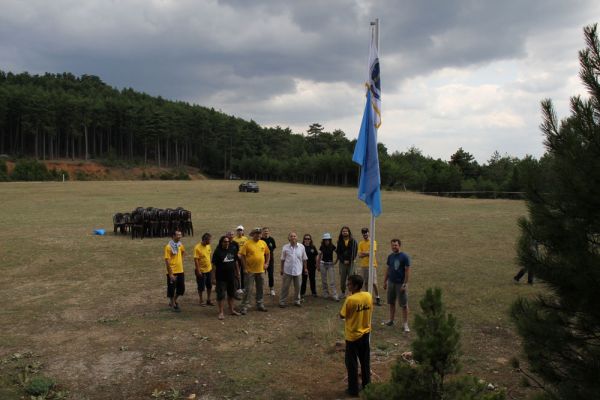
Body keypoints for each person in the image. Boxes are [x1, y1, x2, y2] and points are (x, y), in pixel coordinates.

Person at [340, 274, 372, 397]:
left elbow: (342, 315)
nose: (348, 286)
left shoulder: (350, 299)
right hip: (365, 334)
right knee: (365, 361)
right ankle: (367, 385)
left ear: (356, 286)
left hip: (353, 336)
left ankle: (353, 390)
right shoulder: (368, 295)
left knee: (351, 364)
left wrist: (350, 298)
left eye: (350, 284)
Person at [238, 227, 270, 314]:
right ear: (253, 235)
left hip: (260, 271)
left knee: (260, 288)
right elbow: (242, 256)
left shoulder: (263, 243)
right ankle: (244, 306)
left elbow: (267, 253)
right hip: (250, 271)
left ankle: (260, 304)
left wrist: (267, 263)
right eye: (257, 233)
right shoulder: (247, 243)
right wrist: (244, 268)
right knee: (248, 289)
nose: (259, 235)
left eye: (260, 233)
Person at [383, 238, 411, 332]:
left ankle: (405, 324)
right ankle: (391, 320)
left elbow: (407, 271)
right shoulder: (390, 256)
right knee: (391, 302)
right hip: (391, 282)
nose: (394, 247)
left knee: (403, 304)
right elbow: (388, 269)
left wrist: (405, 284)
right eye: (392, 245)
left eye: (395, 245)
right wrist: (385, 281)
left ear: (399, 245)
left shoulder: (404, 257)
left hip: (400, 284)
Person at [211, 235, 241, 320]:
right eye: (225, 241)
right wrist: (213, 278)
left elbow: (235, 261)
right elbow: (213, 266)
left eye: (228, 241)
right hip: (221, 278)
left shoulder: (232, 250)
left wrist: (237, 272)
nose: (227, 243)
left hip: (231, 276)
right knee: (221, 295)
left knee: (231, 294)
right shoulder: (217, 252)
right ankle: (221, 312)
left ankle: (232, 310)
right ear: (221, 242)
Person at [279, 232, 308, 307]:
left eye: (294, 236)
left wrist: (305, 268)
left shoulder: (301, 247)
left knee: (298, 287)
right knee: (285, 287)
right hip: (287, 271)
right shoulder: (285, 247)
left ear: (297, 237)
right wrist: (281, 269)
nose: (293, 238)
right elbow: (282, 259)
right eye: (291, 236)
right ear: (289, 238)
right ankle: (282, 301)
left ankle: (297, 301)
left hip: (298, 271)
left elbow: (304, 259)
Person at [357, 228, 381, 306]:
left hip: (372, 265)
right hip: (364, 265)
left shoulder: (373, 242)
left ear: (369, 233)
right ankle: (368, 297)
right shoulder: (361, 243)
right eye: (363, 233)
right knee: (366, 282)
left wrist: (364, 253)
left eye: (366, 233)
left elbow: (372, 254)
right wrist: (367, 253)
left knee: (374, 282)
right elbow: (359, 255)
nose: (365, 235)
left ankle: (377, 297)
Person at [164, 230, 185, 312]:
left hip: (180, 270)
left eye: (180, 235)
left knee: (181, 289)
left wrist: (181, 261)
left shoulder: (180, 245)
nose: (180, 236)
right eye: (178, 235)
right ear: (173, 236)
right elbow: (167, 261)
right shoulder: (168, 247)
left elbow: (183, 252)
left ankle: (174, 300)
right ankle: (173, 305)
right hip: (172, 271)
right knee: (171, 289)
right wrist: (170, 274)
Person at [336, 226, 358, 300]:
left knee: (351, 278)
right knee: (342, 279)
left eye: (346, 231)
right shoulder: (339, 241)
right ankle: (343, 292)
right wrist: (343, 260)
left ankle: (352, 293)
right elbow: (338, 253)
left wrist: (350, 260)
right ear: (341, 233)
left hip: (351, 263)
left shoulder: (353, 241)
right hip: (342, 263)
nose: (345, 232)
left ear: (349, 232)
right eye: (343, 231)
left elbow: (354, 252)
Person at [194, 232, 214, 306]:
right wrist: (198, 270)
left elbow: (209, 256)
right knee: (201, 286)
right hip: (201, 271)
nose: (210, 241)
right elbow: (196, 260)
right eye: (209, 240)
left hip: (209, 269)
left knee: (209, 285)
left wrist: (211, 267)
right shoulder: (197, 248)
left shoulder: (208, 246)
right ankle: (201, 300)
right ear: (205, 240)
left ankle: (209, 299)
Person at [318, 233, 338, 301]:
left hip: (330, 265)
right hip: (323, 264)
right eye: (325, 240)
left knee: (332, 281)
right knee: (324, 280)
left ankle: (334, 295)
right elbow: (319, 256)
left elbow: (337, 253)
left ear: (330, 240)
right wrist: (318, 265)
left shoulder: (332, 246)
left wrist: (336, 261)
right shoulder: (322, 246)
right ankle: (325, 293)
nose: (326, 241)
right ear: (323, 240)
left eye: (328, 240)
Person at [300, 234, 319, 298]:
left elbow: (316, 255)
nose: (307, 240)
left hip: (312, 266)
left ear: (310, 240)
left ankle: (314, 292)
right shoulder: (301, 247)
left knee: (312, 279)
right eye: (306, 238)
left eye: (308, 239)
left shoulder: (313, 247)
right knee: (304, 280)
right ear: (304, 239)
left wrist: (316, 264)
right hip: (304, 267)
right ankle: (302, 293)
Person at [261, 227, 277, 296]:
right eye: (264, 231)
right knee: (260, 276)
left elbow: (273, 248)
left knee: (270, 275)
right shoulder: (260, 240)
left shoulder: (271, 239)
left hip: (270, 260)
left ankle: (272, 289)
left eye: (267, 231)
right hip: (261, 260)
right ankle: (260, 289)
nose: (266, 232)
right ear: (262, 232)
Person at [232, 226, 247, 295]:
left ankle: (243, 287)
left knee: (243, 272)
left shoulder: (245, 239)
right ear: (236, 231)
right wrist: (238, 255)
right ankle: (238, 288)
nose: (239, 232)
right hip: (237, 257)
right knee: (237, 272)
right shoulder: (234, 239)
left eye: (241, 230)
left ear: (243, 231)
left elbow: (247, 247)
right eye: (238, 230)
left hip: (244, 257)